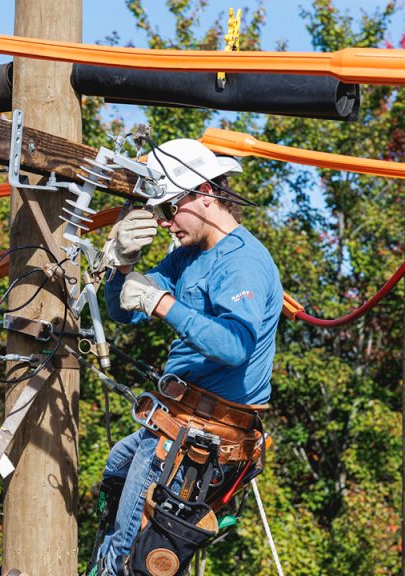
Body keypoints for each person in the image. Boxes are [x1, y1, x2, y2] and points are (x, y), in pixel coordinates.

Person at [92, 138, 283, 575]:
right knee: (116, 472)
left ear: (205, 193)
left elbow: (235, 347)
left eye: (168, 209)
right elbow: (124, 314)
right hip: (175, 417)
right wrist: (121, 266)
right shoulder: (187, 255)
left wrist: (161, 303)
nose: (163, 223)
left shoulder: (243, 263)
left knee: (129, 557)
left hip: (202, 433)